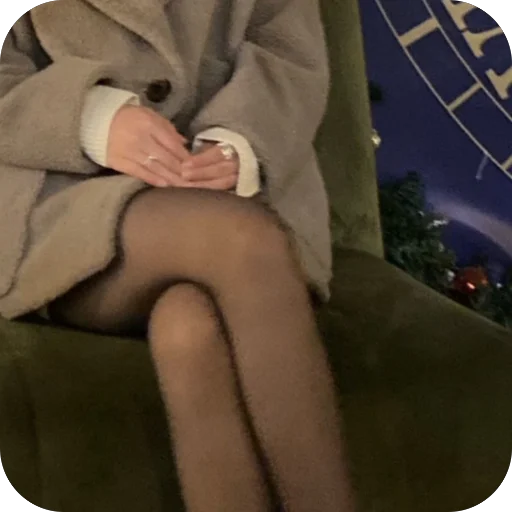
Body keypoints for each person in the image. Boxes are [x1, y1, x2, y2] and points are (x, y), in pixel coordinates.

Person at [0, 1, 356, 511]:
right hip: (53, 199)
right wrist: (92, 119)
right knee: (244, 243)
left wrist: (239, 142)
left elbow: (287, 49)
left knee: (189, 325)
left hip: (226, 184)